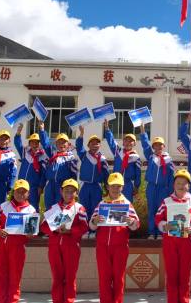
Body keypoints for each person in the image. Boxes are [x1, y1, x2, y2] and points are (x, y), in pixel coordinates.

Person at [154, 168, 191, 303]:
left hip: (187, 241)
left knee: (184, 276)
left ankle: (184, 300)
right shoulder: (166, 201)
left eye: (184, 183)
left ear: (189, 186)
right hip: (170, 241)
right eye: (178, 183)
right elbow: (158, 218)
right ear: (173, 185)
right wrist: (164, 225)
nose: (181, 186)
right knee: (171, 275)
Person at [89, 173, 140, 303]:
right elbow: (92, 225)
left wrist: (131, 222)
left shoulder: (127, 204)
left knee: (118, 278)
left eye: (118, 186)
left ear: (122, 187)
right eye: (113, 186)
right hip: (102, 247)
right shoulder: (101, 204)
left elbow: (136, 225)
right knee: (104, 278)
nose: (115, 189)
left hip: (120, 247)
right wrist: (94, 221)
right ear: (107, 186)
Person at [41, 179, 89, 303]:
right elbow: (43, 226)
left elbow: (84, 227)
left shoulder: (80, 208)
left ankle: (69, 300)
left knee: (70, 277)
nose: (69, 193)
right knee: (57, 277)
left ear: (76, 193)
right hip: (54, 246)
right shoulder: (54, 207)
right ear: (61, 191)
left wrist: (70, 231)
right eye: (66, 190)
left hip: (71, 246)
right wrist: (54, 230)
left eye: (72, 191)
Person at [0, 179, 37, 303]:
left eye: (23, 192)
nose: (20, 194)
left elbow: (31, 232)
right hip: (1, 248)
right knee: (1, 280)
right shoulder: (4, 206)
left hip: (18, 249)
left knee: (15, 280)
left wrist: (31, 234)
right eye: (18, 191)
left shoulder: (31, 210)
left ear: (28, 194)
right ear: (13, 192)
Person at [139, 123, 175, 239]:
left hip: (163, 189)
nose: (158, 147)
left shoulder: (168, 159)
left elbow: (171, 177)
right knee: (152, 210)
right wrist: (143, 130)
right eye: (156, 145)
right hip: (151, 187)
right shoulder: (150, 156)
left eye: (160, 145)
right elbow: (145, 145)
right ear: (153, 147)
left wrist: (170, 192)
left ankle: (160, 232)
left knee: (162, 210)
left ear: (163, 146)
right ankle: (151, 232)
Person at [75, 125, 109, 238]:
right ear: (88, 145)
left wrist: (107, 187)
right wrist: (81, 133)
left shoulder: (102, 159)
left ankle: (93, 230)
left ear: (99, 145)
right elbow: (78, 146)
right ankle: (85, 230)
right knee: (84, 208)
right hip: (85, 185)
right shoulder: (84, 155)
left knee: (95, 208)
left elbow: (106, 174)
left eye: (97, 143)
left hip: (96, 186)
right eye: (92, 143)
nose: (95, 145)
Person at [40, 122, 79, 210]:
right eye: (59, 142)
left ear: (68, 145)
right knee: (49, 208)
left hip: (63, 187)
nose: (62, 144)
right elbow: (45, 144)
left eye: (64, 142)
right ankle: (48, 224)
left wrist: (74, 189)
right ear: (56, 144)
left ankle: (60, 224)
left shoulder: (71, 158)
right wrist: (42, 130)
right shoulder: (52, 155)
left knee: (60, 208)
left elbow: (74, 175)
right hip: (50, 185)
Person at [104, 120, 142, 202]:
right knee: (114, 203)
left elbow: (138, 173)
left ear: (134, 143)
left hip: (128, 185)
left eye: (131, 141)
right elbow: (111, 142)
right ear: (123, 142)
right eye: (126, 140)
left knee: (127, 205)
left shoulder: (136, 157)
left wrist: (136, 186)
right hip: (116, 184)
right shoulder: (118, 151)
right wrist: (107, 129)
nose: (128, 142)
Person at [13, 123, 48, 210]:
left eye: (37, 142)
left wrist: (41, 186)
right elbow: (18, 144)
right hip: (22, 184)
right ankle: (19, 222)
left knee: (33, 207)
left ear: (39, 144)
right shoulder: (25, 153)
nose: (35, 144)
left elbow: (44, 174)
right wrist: (18, 133)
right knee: (19, 205)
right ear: (29, 143)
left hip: (34, 187)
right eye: (32, 142)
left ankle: (32, 223)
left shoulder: (43, 156)